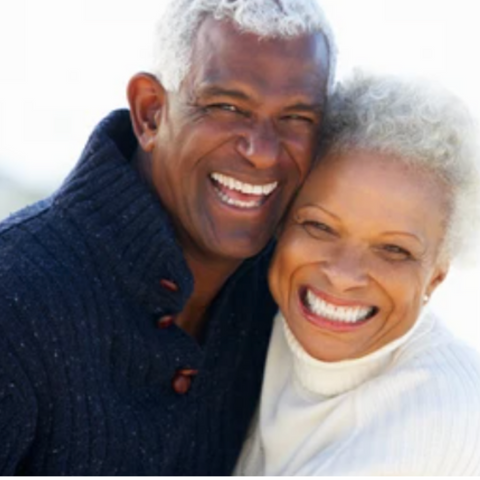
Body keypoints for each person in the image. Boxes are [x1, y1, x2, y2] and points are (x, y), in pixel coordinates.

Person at [0, 0, 335, 475]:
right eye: (227, 106)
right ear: (151, 112)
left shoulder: (296, 295)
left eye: (297, 117)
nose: (262, 152)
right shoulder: (14, 295)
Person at [235, 71, 480, 476]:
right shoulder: (250, 322)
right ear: (281, 223)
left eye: (393, 250)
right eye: (319, 226)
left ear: (436, 276)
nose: (344, 275)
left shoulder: (445, 414)